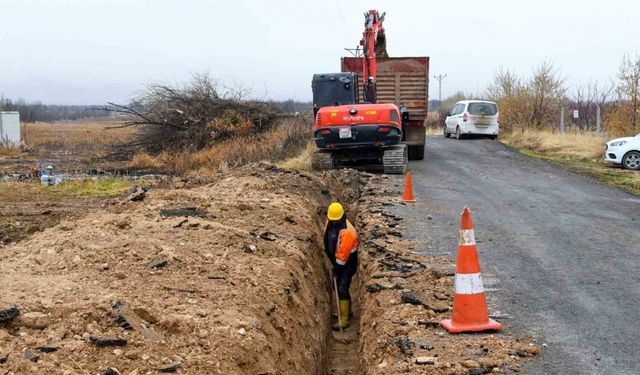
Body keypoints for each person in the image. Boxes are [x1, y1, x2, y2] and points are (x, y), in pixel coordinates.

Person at [323, 202, 358, 330]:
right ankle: (346, 311)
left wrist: (336, 268)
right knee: (338, 285)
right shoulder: (331, 222)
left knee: (342, 287)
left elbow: (343, 255)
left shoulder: (347, 232)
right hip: (338, 261)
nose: (333, 222)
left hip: (347, 263)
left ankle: (344, 319)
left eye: (335, 220)